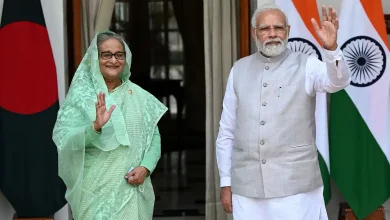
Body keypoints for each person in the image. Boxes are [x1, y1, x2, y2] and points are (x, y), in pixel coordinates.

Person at [216, 4, 351, 220]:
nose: (272, 34)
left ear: (287, 31)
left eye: (278, 28)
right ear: (254, 33)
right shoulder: (239, 69)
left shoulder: (307, 65)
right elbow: (227, 132)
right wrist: (226, 182)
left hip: (295, 187)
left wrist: (332, 48)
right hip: (247, 187)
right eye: (264, 28)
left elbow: (339, 82)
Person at [52, 30, 167, 220]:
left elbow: (154, 136)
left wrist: (146, 168)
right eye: (106, 54)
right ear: (94, 58)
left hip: (133, 189)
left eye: (119, 55)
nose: (113, 60)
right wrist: (94, 127)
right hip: (95, 194)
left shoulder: (138, 95)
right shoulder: (81, 97)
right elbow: (65, 140)